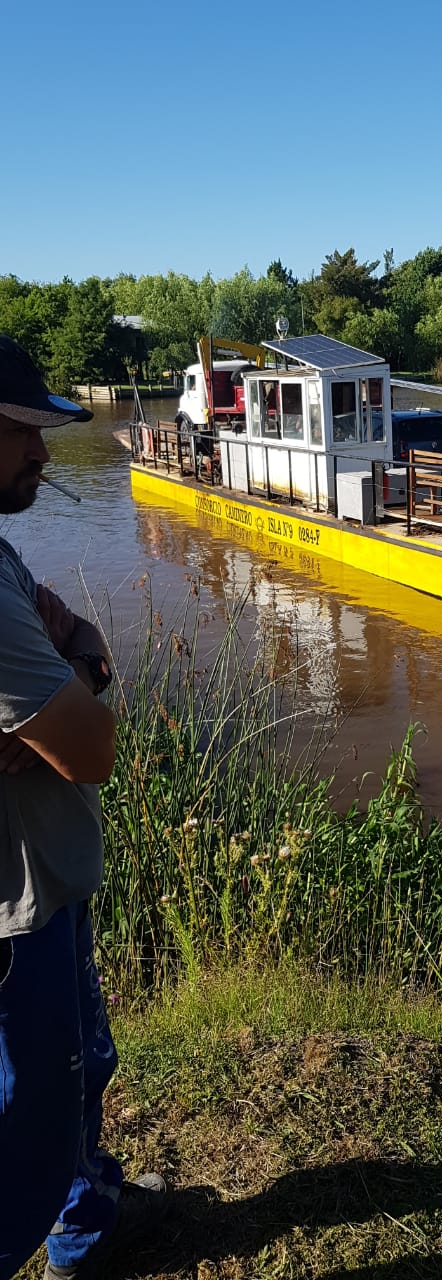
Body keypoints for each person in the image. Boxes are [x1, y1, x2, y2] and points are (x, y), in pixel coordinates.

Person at [0, 335, 164, 1280]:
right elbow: (93, 750)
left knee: (82, 1069)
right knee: (24, 1135)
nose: (43, 452)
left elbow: (86, 641)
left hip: (51, 879)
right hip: (12, 915)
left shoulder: (1, 558)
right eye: (20, 430)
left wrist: (79, 670)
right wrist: (73, 689)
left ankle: (85, 1223)